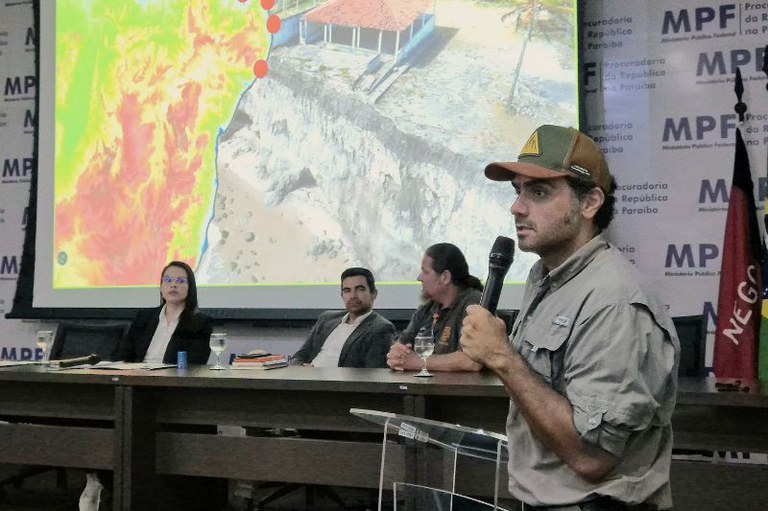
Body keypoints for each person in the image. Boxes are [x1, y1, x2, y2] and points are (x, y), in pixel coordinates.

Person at [460, 125, 680, 510]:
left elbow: (592, 458)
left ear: (590, 203)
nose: (517, 207)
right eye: (518, 191)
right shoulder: (546, 277)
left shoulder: (615, 302)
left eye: (539, 192)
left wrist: (502, 357)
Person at [387, 243, 483, 372]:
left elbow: (471, 361)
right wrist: (395, 355)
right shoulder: (425, 311)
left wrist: (417, 362)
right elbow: (400, 347)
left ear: (445, 277)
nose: (419, 278)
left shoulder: (474, 304)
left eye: (425, 272)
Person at [291, 267, 395, 368]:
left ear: (374, 294)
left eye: (360, 289)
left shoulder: (381, 328)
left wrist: (317, 376)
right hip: (306, 380)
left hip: (335, 384)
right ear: (342, 295)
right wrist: (299, 371)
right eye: (347, 290)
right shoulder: (326, 318)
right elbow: (300, 356)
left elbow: (372, 376)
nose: (353, 295)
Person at [113, 261, 213, 364]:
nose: (173, 285)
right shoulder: (144, 317)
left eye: (180, 281)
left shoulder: (200, 323)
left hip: (173, 377)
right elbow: (123, 355)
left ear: (190, 287)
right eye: (168, 280)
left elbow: (196, 362)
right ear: (161, 287)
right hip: (139, 376)